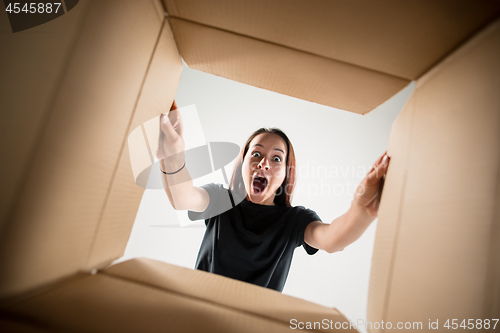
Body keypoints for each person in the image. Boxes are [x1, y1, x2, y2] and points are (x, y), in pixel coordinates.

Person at [157, 101, 390, 292]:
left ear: (286, 173)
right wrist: (173, 155)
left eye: (276, 158)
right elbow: (182, 197)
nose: (264, 163)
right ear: (243, 163)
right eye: (256, 153)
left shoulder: (294, 221)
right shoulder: (220, 199)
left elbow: (331, 240)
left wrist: (361, 210)